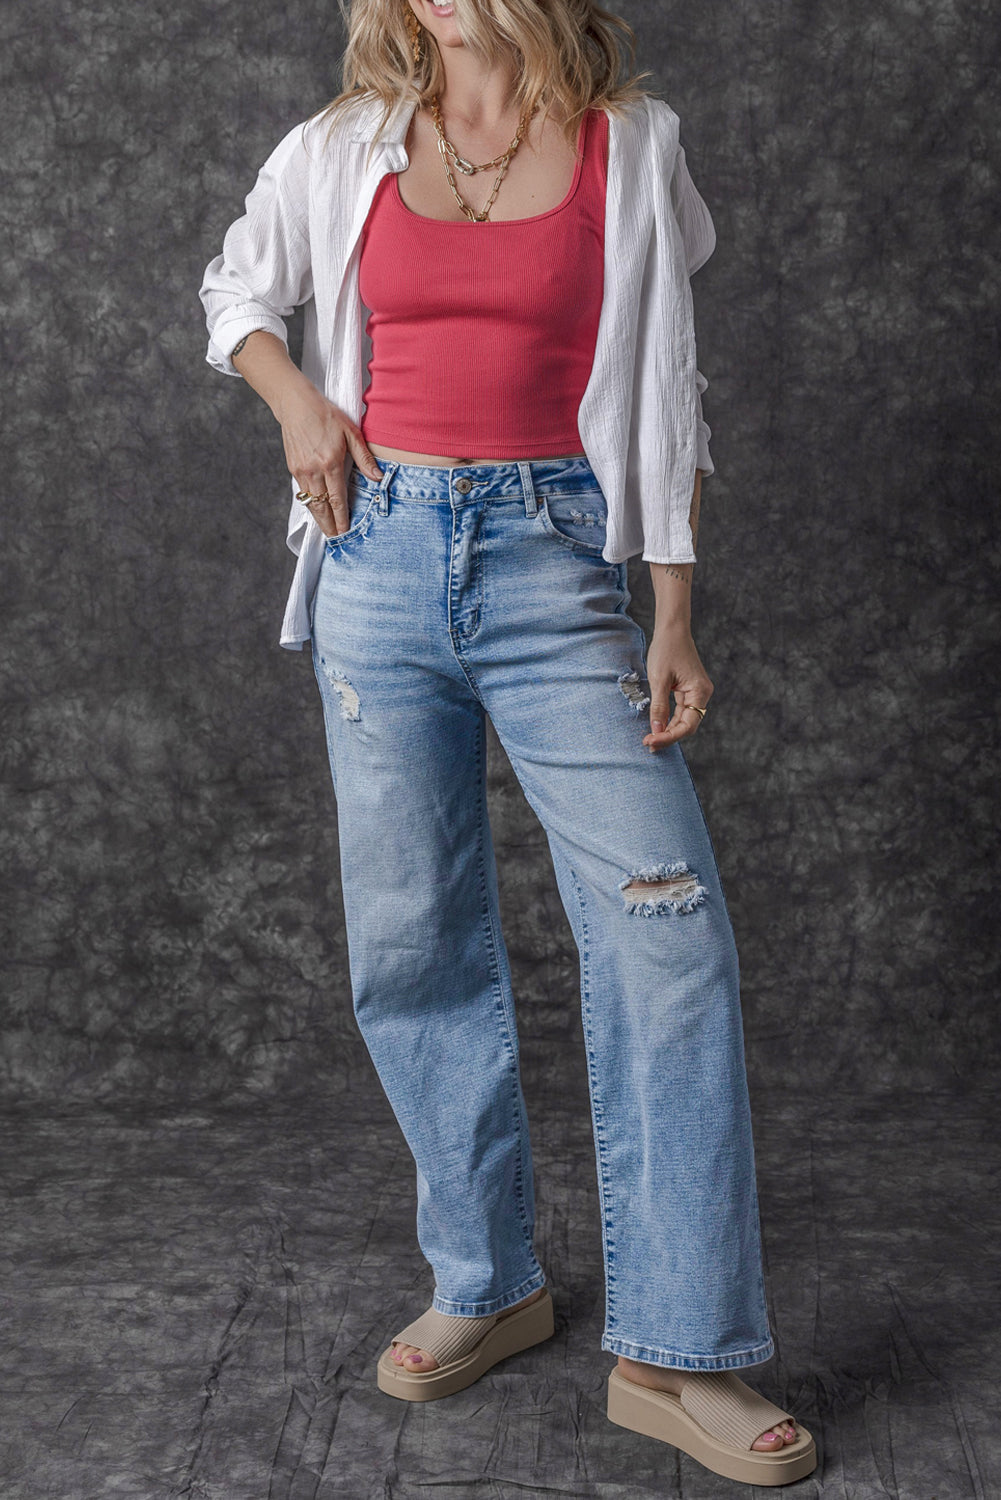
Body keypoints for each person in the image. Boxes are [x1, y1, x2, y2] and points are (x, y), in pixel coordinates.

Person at [198, 0, 817, 1486]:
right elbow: (234, 291)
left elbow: (664, 392)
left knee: (667, 935)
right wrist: (297, 404)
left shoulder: (631, 145)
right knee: (412, 937)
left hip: (553, 558)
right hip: (376, 555)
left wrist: (671, 611)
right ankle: (485, 1279)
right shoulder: (343, 145)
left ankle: (677, 1350)